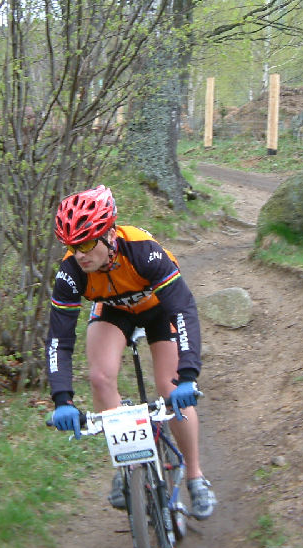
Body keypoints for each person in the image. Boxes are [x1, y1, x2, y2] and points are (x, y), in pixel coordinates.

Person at [44, 185, 216, 519]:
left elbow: (182, 309)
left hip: (158, 310)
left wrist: (189, 375)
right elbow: (59, 340)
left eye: (88, 243)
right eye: (72, 245)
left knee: (170, 388)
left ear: (109, 234)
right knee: (99, 377)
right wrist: (62, 399)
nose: (80, 254)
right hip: (113, 311)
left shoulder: (142, 250)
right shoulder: (71, 272)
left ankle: (195, 476)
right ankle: (129, 466)